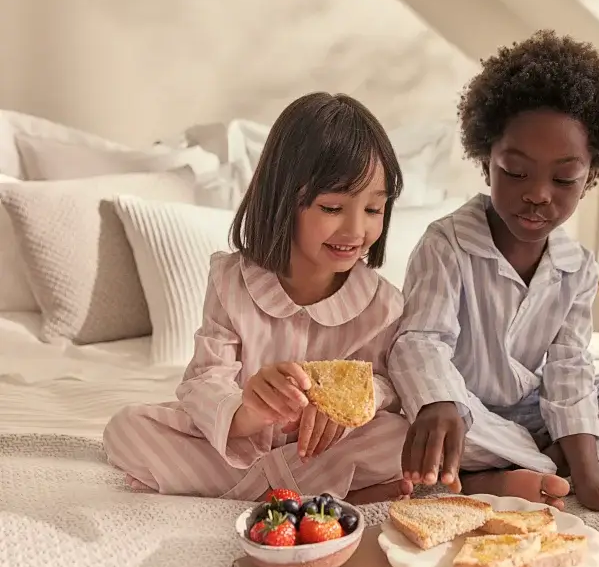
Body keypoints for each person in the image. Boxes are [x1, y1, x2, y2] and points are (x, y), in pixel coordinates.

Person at [389, 30, 599, 520]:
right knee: (415, 427)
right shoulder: (447, 243)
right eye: (516, 171)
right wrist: (438, 401)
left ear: (589, 178)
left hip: (531, 412)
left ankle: (537, 464)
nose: (538, 194)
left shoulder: (579, 267)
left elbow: (569, 370)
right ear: (487, 164)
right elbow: (419, 340)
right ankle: (509, 469)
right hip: (464, 410)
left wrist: (589, 481)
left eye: (563, 179)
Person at [104, 93, 413, 504]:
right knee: (125, 430)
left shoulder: (382, 305)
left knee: (404, 436)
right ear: (284, 199)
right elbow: (203, 378)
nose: (356, 230)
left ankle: (264, 492)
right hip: (234, 448)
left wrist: (350, 403)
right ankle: (315, 493)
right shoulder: (232, 280)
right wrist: (248, 409)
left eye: (374, 209)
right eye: (333, 207)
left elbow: (389, 386)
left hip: (322, 452)